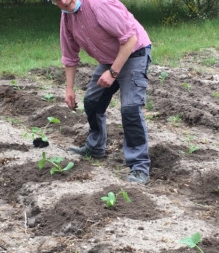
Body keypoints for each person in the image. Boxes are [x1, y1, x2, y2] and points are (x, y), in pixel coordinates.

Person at [52, 0, 152, 185]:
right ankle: (95, 147)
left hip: (135, 54)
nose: (64, 1)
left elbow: (130, 39)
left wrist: (113, 72)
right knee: (92, 102)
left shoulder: (100, 4)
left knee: (130, 109)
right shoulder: (67, 17)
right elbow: (69, 56)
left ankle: (139, 167)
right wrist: (69, 89)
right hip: (108, 59)